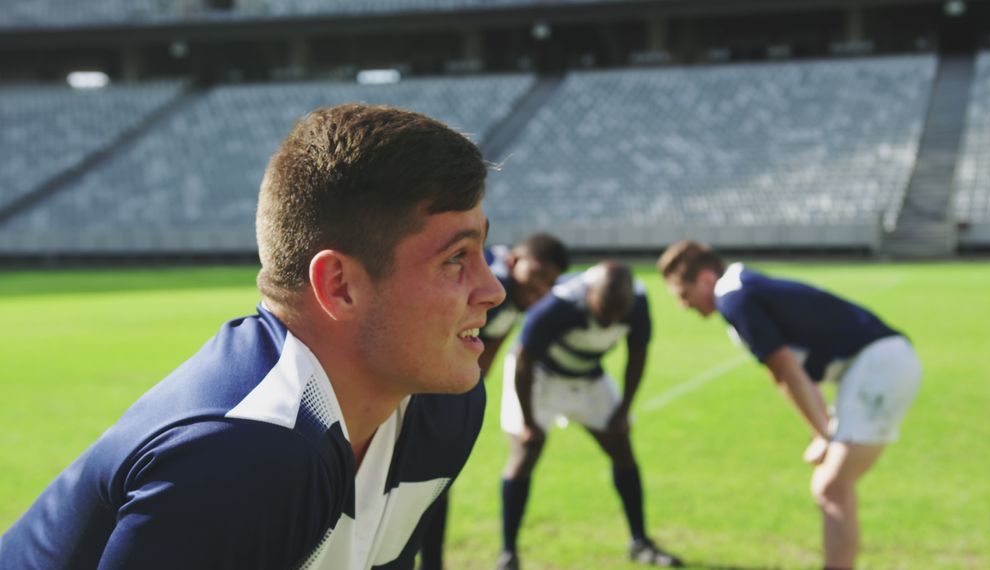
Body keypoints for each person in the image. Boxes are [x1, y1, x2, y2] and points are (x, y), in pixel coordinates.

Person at [0, 104, 506, 569]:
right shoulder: (241, 455)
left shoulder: (444, 406)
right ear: (340, 286)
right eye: (456, 259)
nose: (493, 290)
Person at [657, 240, 921, 570]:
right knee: (830, 487)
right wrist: (821, 431)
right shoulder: (741, 289)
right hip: (877, 366)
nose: (685, 306)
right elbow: (794, 373)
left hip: (878, 366)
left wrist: (823, 435)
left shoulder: (733, 298)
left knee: (831, 487)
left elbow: (785, 370)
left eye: (684, 295)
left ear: (707, 278)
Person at [496, 261, 684, 570]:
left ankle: (640, 541)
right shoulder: (558, 305)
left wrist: (624, 410)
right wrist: (529, 422)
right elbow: (523, 361)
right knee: (525, 452)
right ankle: (508, 554)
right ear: (588, 296)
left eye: (616, 317)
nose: (610, 324)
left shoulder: (637, 302)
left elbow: (638, 355)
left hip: (588, 376)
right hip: (539, 377)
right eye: (602, 314)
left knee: (621, 446)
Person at [418, 233, 568, 570]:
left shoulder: (512, 297)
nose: (543, 288)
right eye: (540, 274)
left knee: (433, 484)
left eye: (551, 282)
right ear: (515, 260)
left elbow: (486, 356)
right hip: (419, 393)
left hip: (441, 394)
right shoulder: (493, 283)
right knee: (423, 484)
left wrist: (463, 399)